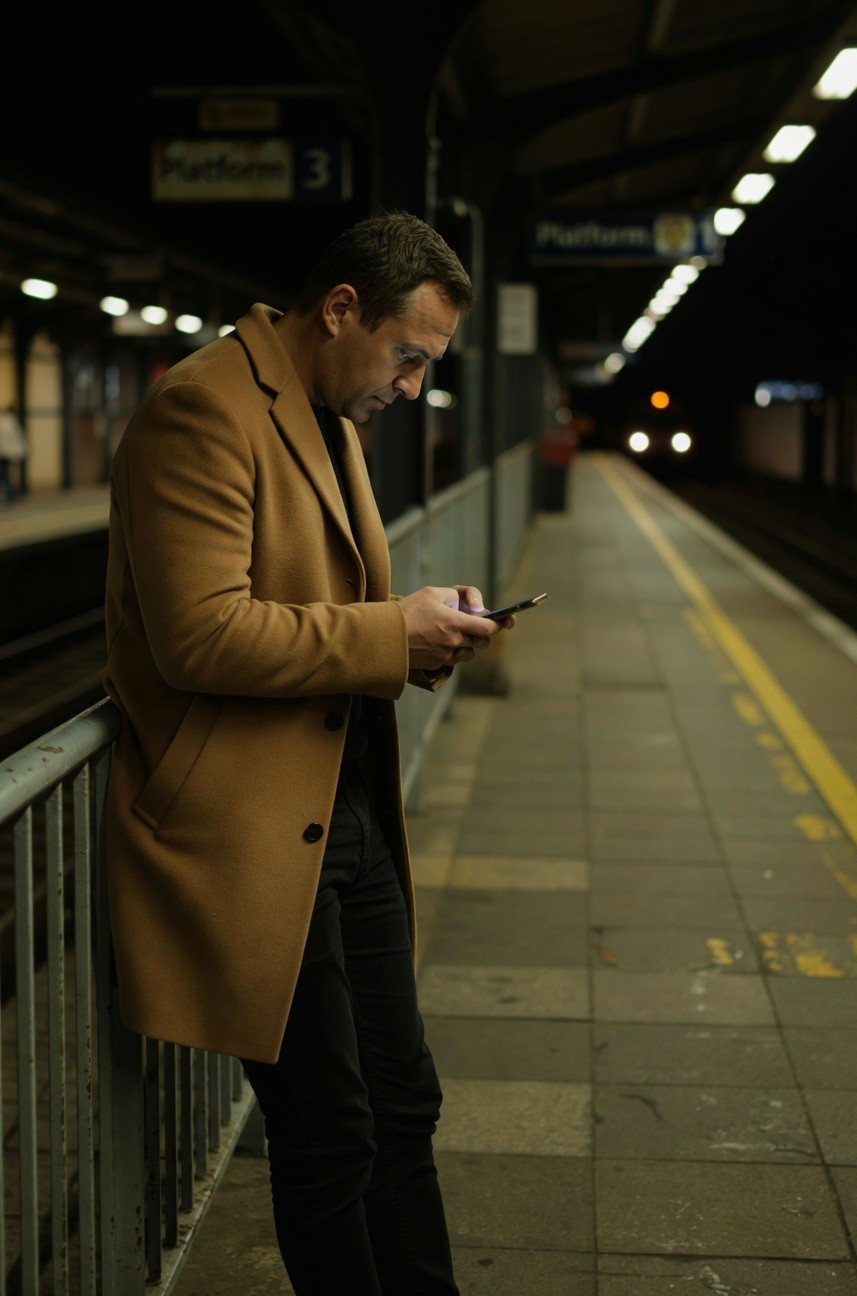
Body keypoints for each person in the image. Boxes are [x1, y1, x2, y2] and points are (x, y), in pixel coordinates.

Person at [103, 211, 512, 1295]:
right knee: (331, 1128)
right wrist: (390, 634)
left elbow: (314, 611)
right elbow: (201, 632)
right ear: (341, 311)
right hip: (254, 826)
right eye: (409, 356)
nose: (415, 386)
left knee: (403, 1099)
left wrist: (418, 645)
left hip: (346, 814)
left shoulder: (331, 416)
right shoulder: (202, 407)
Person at [0, 404, 26, 502]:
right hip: (7, 452)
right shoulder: (11, 422)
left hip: (4, 452)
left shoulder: (4, 421)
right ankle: (9, 494)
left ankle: (8, 494)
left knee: (5, 473)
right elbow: (16, 438)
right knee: (5, 473)